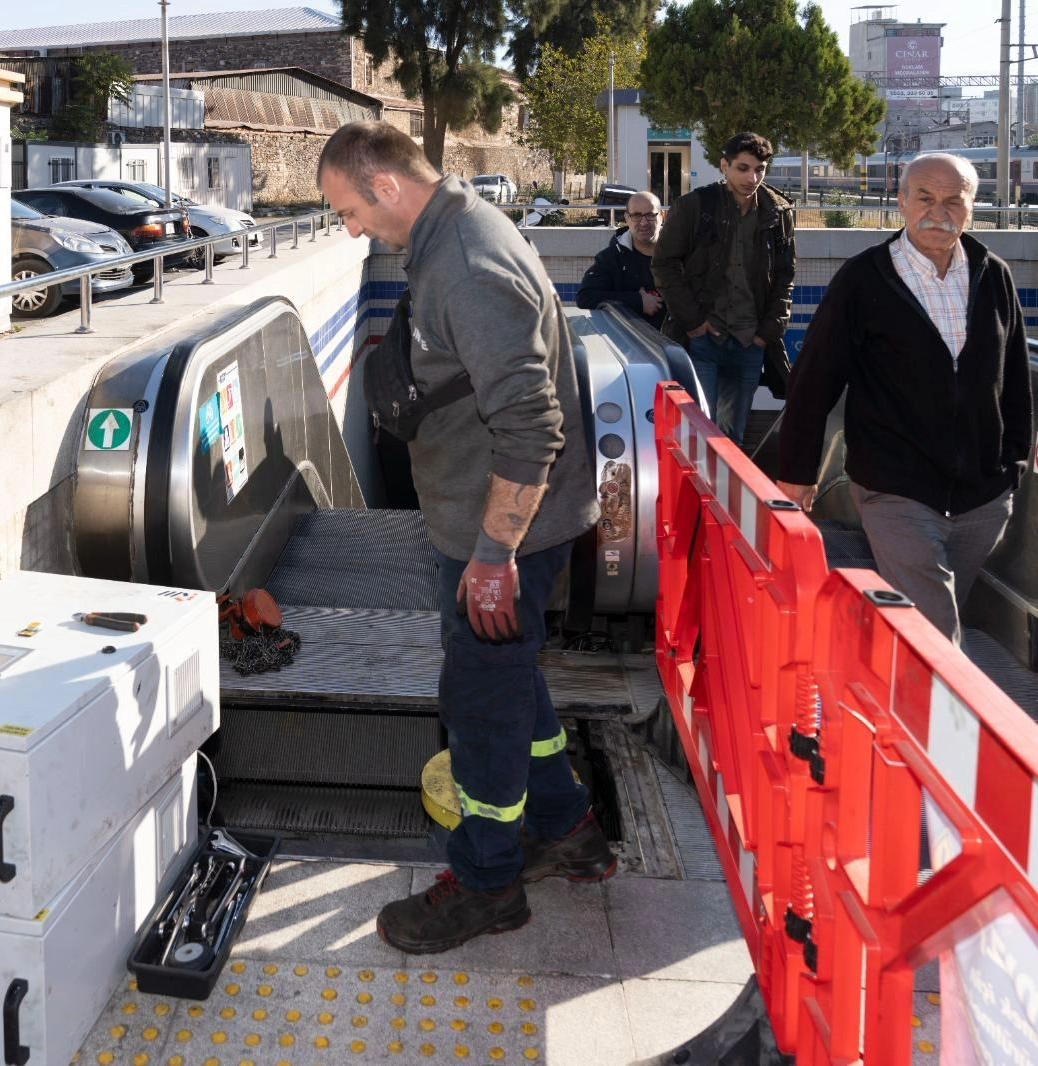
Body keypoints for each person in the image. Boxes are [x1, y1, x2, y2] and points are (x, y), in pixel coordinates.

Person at [316, 122, 612, 956]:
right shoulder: (449, 229)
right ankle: (569, 832)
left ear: (384, 187)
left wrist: (492, 557)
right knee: (510, 680)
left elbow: (529, 423)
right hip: (485, 519)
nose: (348, 229)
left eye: (347, 209)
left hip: (501, 534)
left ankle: (486, 886)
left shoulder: (467, 264)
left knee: (478, 707)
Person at [776, 153, 1032, 646]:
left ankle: (882, 702)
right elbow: (813, 380)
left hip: (982, 496)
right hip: (895, 489)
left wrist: (1012, 467)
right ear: (900, 202)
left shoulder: (992, 274)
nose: (939, 212)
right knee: (934, 632)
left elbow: (1015, 377)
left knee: (924, 620)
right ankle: (947, 720)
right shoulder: (863, 278)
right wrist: (797, 473)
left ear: (972, 206)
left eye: (954, 200)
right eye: (925, 198)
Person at [651, 131, 796, 445]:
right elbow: (664, 263)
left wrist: (766, 332)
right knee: (700, 435)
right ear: (724, 166)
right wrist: (692, 322)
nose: (752, 177)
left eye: (759, 169)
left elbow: (785, 276)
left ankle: (728, 496)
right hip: (705, 337)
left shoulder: (778, 212)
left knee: (733, 439)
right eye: (742, 168)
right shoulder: (695, 206)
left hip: (750, 341)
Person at [576, 191, 666, 331]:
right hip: (627, 343)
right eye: (636, 215)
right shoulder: (610, 258)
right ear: (627, 218)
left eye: (650, 215)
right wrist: (637, 301)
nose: (643, 223)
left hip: (679, 344)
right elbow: (586, 297)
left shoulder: (681, 253)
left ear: (661, 216)